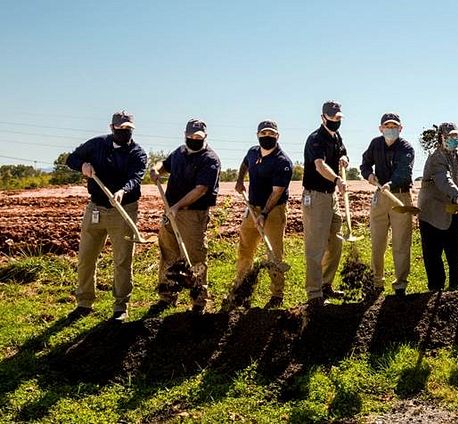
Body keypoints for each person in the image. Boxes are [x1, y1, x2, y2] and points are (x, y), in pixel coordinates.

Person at [65, 110, 147, 322]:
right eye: (120, 129)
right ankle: (84, 302)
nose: (124, 133)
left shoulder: (138, 153)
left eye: (128, 130)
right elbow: (71, 158)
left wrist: (122, 191)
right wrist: (82, 166)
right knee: (86, 257)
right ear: (112, 128)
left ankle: (121, 306)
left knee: (122, 260)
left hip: (123, 210)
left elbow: (136, 177)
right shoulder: (96, 144)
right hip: (95, 208)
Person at [149, 119, 221, 315]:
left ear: (205, 137)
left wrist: (178, 206)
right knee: (168, 252)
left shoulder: (210, 159)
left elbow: (201, 189)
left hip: (192, 214)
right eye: (191, 136)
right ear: (185, 135)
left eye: (198, 137)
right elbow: (164, 164)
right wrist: (156, 170)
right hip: (170, 211)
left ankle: (199, 300)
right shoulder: (180, 152)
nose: (194, 140)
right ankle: (167, 295)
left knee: (194, 256)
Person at [232, 120, 293, 308]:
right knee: (245, 248)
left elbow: (277, 192)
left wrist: (264, 213)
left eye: (272, 134)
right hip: (252, 207)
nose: (268, 137)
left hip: (273, 210)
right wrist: (240, 180)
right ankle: (241, 288)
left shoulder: (283, 162)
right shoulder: (252, 152)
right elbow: (245, 163)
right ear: (258, 135)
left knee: (273, 253)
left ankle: (277, 294)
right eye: (264, 134)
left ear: (278, 136)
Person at [360, 112, 415, 298]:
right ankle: (377, 281)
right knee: (377, 241)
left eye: (394, 127)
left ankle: (400, 284)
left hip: (400, 196)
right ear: (381, 128)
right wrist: (368, 175)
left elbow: (404, 171)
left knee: (400, 242)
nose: (390, 130)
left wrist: (390, 184)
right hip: (380, 197)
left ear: (400, 128)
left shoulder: (406, 148)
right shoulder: (375, 144)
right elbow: (365, 164)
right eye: (387, 126)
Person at [302, 100, 349, 308]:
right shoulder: (315, 140)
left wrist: (345, 159)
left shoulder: (336, 137)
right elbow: (320, 166)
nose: (336, 122)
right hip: (316, 196)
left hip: (332, 198)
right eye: (332, 119)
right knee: (316, 246)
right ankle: (314, 293)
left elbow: (343, 152)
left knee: (335, 242)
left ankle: (326, 283)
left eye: (339, 118)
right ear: (323, 118)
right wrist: (337, 179)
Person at [418, 122, 458, 292]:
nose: (454, 139)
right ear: (441, 138)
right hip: (432, 210)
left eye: (456, 136)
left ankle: (457, 282)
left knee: (456, 246)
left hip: (453, 207)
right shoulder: (435, 157)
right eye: (450, 136)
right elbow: (444, 179)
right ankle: (435, 286)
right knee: (433, 252)